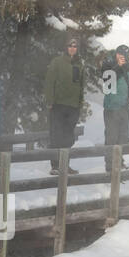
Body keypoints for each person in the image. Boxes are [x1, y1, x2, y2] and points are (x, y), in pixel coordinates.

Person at [44, 35, 84, 173]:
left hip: (73, 106)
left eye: (75, 46)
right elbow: (49, 82)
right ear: (65, 47)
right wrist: (49, 100)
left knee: (68, 137)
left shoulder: (79, 64)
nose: (72, 48)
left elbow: (81, 85)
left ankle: (65, 165)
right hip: (58, 104)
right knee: (56, 136)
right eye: (70, 46)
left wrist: (80, 103)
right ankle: (55, 166)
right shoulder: (57, 62)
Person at [100, 44, 129, 164]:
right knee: (111, 138)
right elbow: (107, 81)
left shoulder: (128, 65)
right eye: (121, 54)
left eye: (125, 55)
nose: (123, 57)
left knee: (123, 137)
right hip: (112, 108)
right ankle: (110, 165)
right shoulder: (109, 63)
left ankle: (119, 162)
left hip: (124, 107)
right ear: (116, 53)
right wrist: (119, 66)